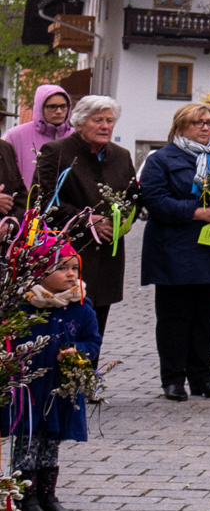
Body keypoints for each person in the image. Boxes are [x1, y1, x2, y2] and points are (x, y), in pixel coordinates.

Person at [136, 102, 210, 401]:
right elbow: (155, 200)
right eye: (197, 122)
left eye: (209, 123)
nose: (205, 127)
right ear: (180, 126)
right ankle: (173, 378)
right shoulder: (161, 159)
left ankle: (202, 377)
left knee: (205, 319)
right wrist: (197, 212)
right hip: (174, 251)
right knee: (174, 319)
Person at [32, 95, 138, 339]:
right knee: (63, 333)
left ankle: (90, 365)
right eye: (97, 120)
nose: (105, 126)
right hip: (68, 257)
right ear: (79, 123)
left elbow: (133, 197)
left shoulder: (121, 155)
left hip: (107, 259)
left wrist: (123, 218)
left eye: (109, 121)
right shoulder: (56, 152)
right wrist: (86, 220)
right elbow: (43, 200)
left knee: (94, 332)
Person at [6, 249, 98, 511]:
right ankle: (25, 497)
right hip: (29, 387)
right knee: (28, 439)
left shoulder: (81, 306)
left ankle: (47, 495)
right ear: (39, 272)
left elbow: (93, 341)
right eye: (62, 268)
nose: (71, 274)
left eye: (75, 269)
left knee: (50, 440)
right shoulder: (23, 306)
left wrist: (77, 351)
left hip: (59, 386)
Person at [0, 82, 73, 220]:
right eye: (52, 106)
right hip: (26, 216)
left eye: (63, 106)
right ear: (40, 107)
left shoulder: (76, 138)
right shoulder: (16, 136)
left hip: (67, 216)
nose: (58, 111)